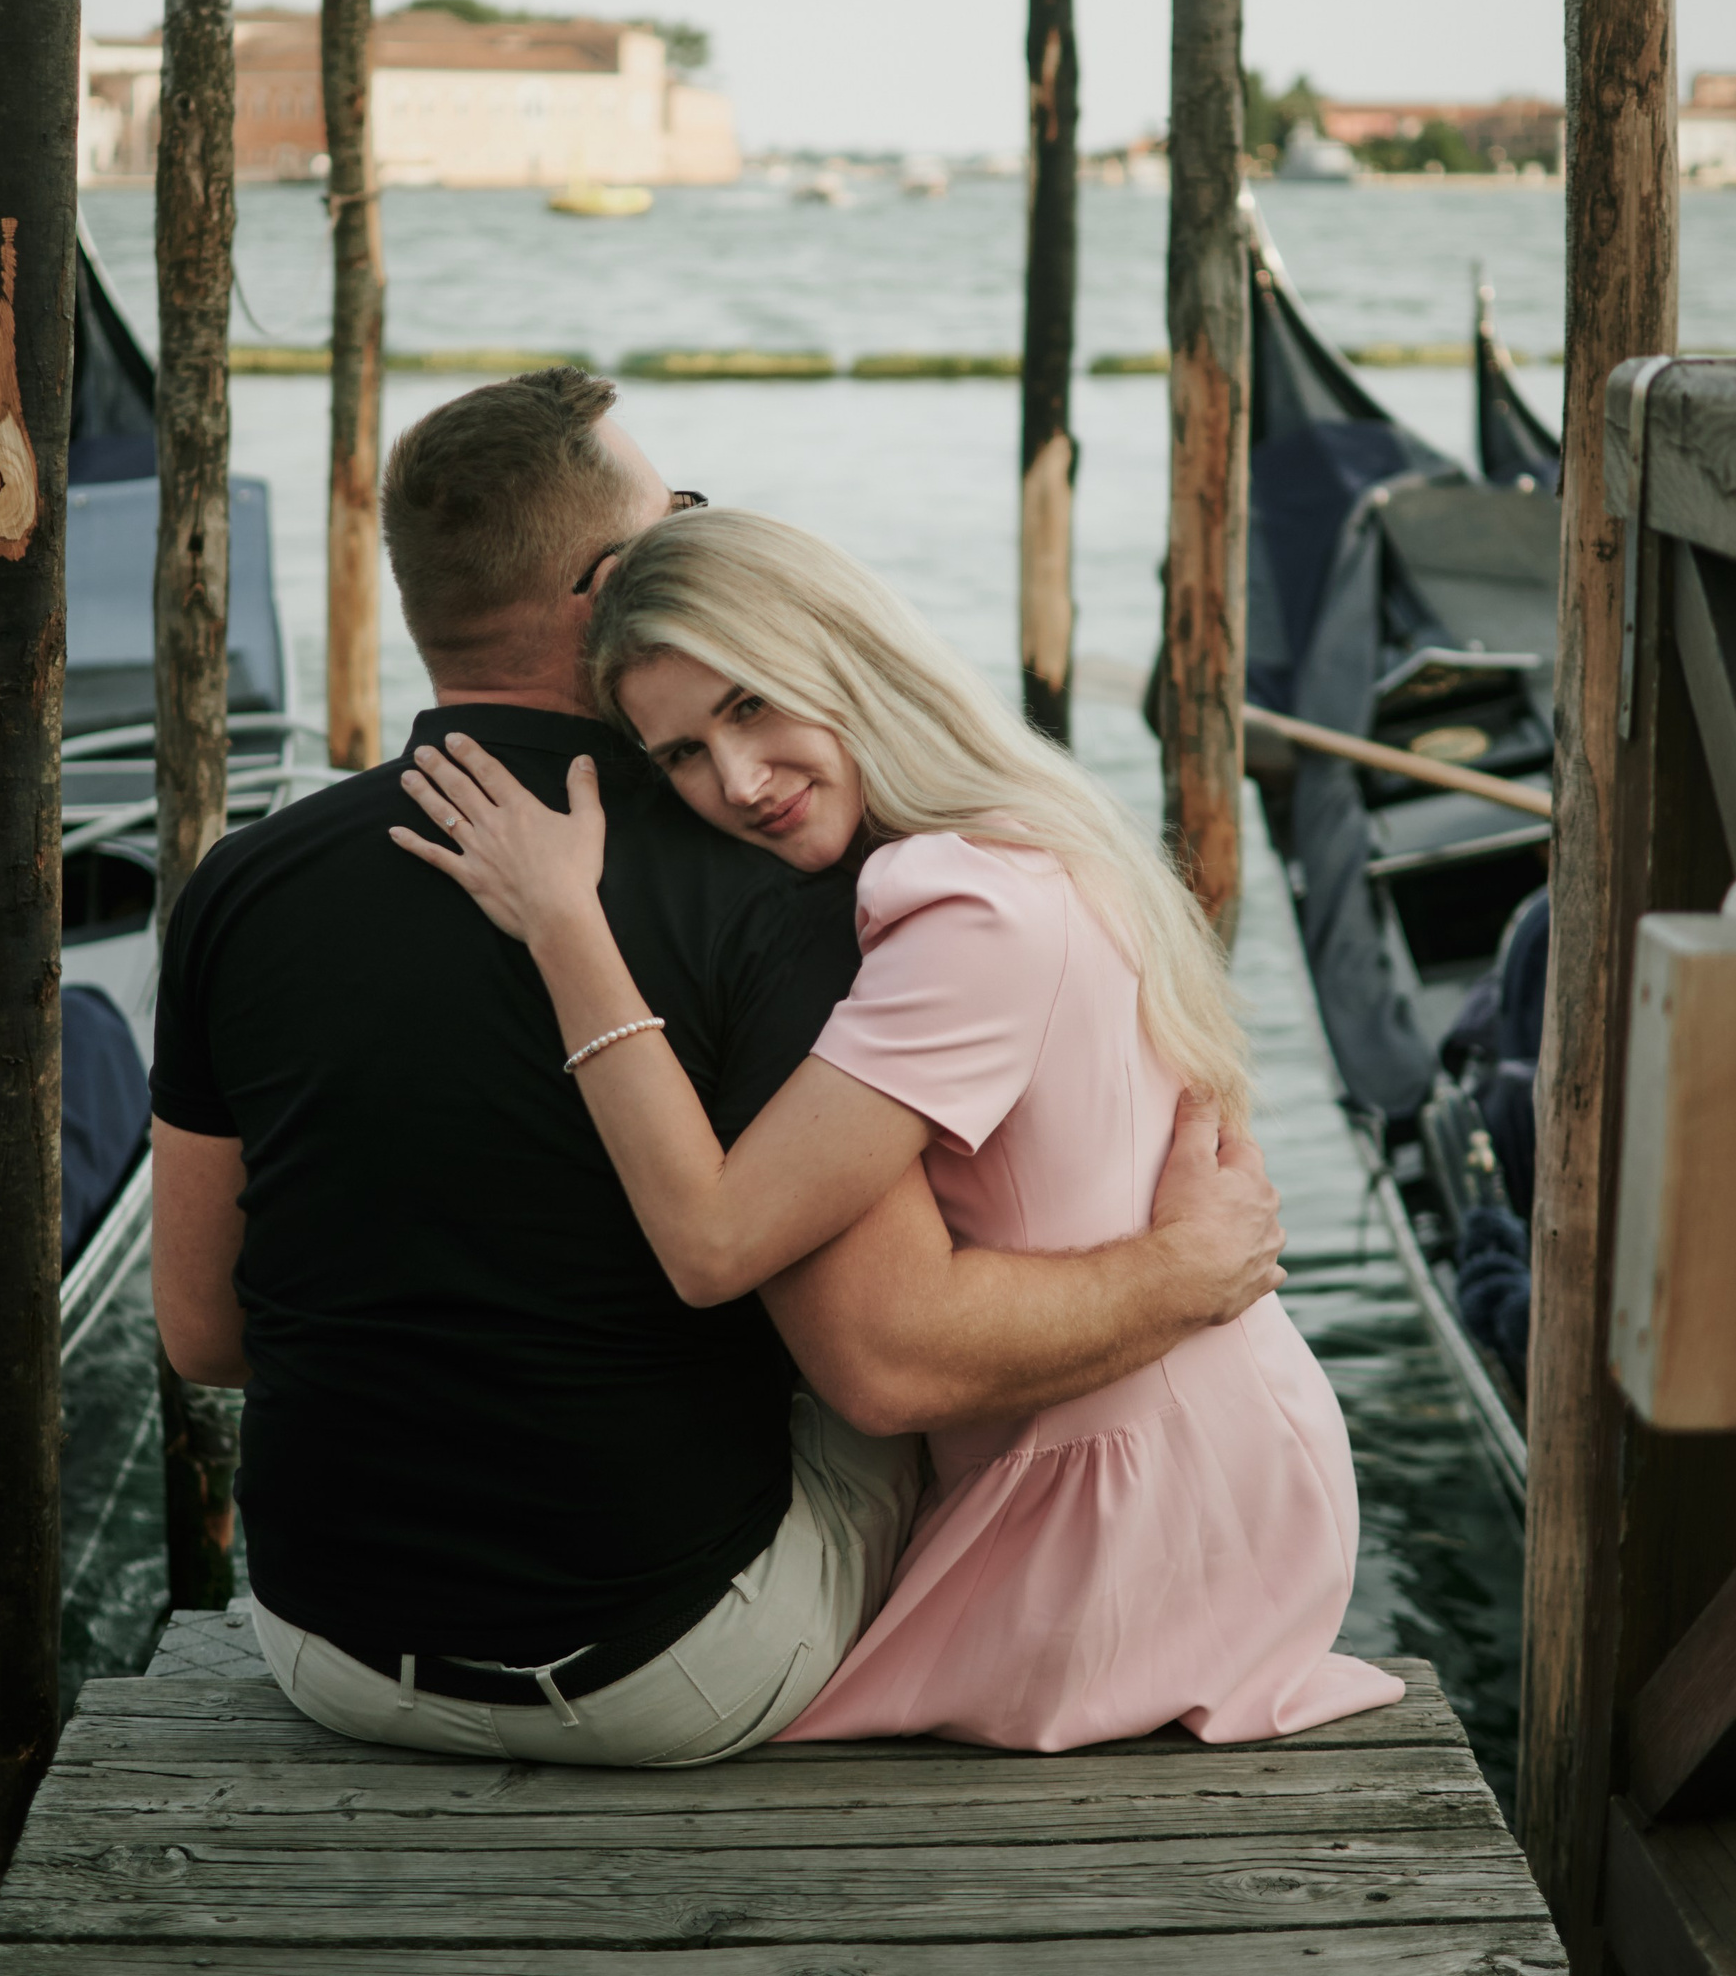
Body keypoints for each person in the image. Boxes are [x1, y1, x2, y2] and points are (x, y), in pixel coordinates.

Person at [152, 369, 1287, 1770]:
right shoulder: (781, 887)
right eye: (682, 514)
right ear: (621, 582)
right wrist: (1187, 1269)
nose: (731, 775)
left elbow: (205, 1335)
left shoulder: (239, 886)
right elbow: (884, 1357)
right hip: (668, 1671)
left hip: (322, 1646)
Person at [395, 502, 1401, 1751]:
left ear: (848, 659)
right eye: (684, 754)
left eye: (754, 704)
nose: (738, 781)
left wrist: (564, 925)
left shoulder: (965, 911)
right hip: (1196, 1453)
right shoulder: (1022, 837)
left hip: (1127, 1520)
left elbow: (714, 1243)